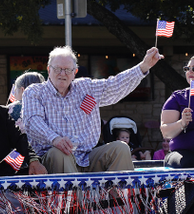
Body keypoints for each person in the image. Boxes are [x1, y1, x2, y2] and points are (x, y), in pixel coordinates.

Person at [21, 46, 163, 173]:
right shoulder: (35, 92)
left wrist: (143, 66)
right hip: (54, 157)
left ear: (75, 72)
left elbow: (115, 86)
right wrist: (55, 139)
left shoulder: (86, 87)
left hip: (87, 156)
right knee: (60, 153)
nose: (62, 74)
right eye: (57, 69)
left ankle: (119, 200)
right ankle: (75, 202)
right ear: (48, 69)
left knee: (121, 148)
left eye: (68, 70)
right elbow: (33, 122)